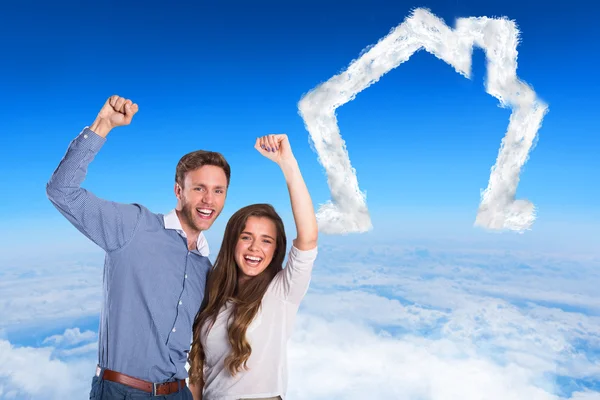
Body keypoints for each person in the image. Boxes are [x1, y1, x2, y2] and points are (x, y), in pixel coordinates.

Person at [46, 95, 230, 399]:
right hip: (122, 392)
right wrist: (102, 125)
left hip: (180, 393)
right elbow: (62, 191)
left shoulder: (205, 268)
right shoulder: (133, 225)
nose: (209, 200)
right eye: (199, 189)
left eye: (218, 191)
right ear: (178, 191)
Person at [187, 134, 319, 400]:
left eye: (266, 241)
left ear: (276, 249)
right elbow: (199, 375)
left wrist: (287, 163)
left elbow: (308, 238)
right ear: (232, 242)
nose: (254, 248)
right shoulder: (214, 294)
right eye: (246, 237)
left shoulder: (282, 292)